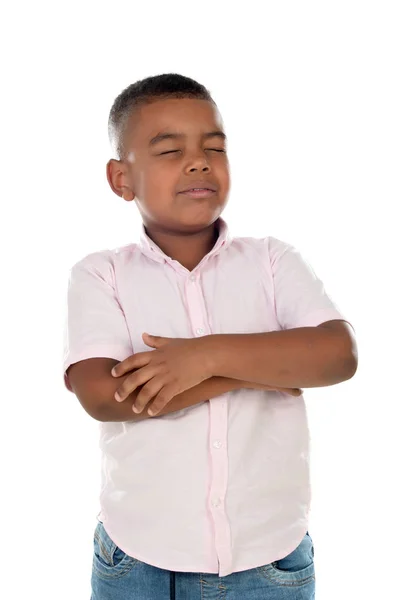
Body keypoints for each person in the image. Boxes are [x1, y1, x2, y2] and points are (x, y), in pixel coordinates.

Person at [63, 73, 358, 600]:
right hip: (138, 561)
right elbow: (104, 395)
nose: (199, 161)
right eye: (170, 150)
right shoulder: (100, 274)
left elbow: (338, 355)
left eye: (214, 147)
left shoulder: (272, 260)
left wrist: (205, 358)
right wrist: (258, 369)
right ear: (120, 178)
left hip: (269, 559)